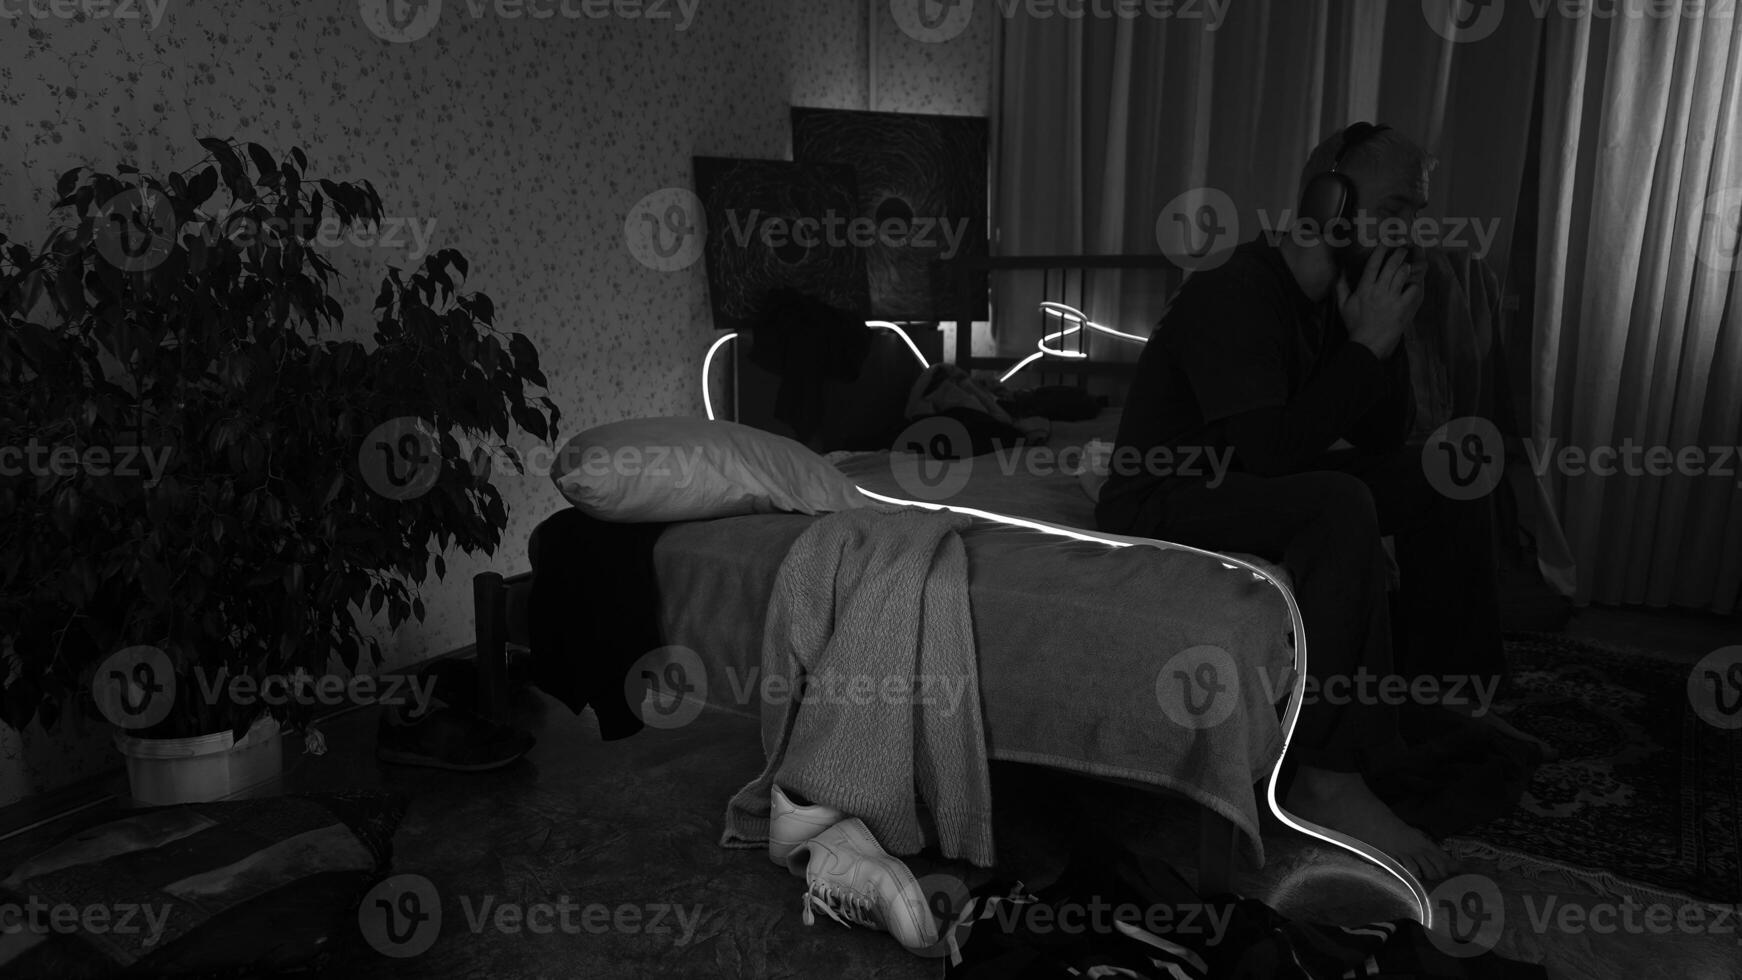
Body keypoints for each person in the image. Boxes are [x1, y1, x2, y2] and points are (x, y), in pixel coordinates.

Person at [1097, 123, 1518, 880]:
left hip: (1247, 483)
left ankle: (1440, 697)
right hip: (1166, 496)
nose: (1413, 233)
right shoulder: (1234, 288)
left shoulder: (1337, 299)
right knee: (1337, 499)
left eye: (1417, 214)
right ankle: (1325, 774)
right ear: (1328, 200)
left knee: (1449, 468)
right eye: (1396, 210)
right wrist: (1363, 349)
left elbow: (1383, 431)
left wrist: (1381, 339)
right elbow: (1264, 454)